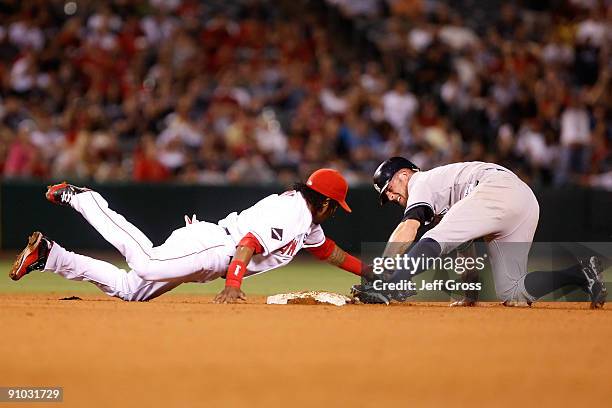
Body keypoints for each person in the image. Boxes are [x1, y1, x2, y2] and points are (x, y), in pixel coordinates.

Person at [9, 169, 364, 303]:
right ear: (326, 202)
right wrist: (235, 284)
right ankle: (84, 198)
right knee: (145, 263)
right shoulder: (295, 211)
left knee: (131, 290)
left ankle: (50, 256)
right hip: (215, 246)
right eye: (336, 206)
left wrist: (372, 274)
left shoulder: (307, 223)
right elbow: (249, 244)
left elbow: (330, 253)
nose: (336, 212)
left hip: (213, 258)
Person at [367, 157, 607, 308]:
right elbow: (462, 243)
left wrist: (386, 273)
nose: (390, 196)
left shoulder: (420, 182)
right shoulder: (442, 199)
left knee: (433, 238)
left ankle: (391, 284)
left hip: (495, 188)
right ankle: (580, 273)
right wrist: (470, 289)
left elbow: (408, 227)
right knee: (513, 292)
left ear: (404, 174)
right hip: (525, 200)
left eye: (389, 188)